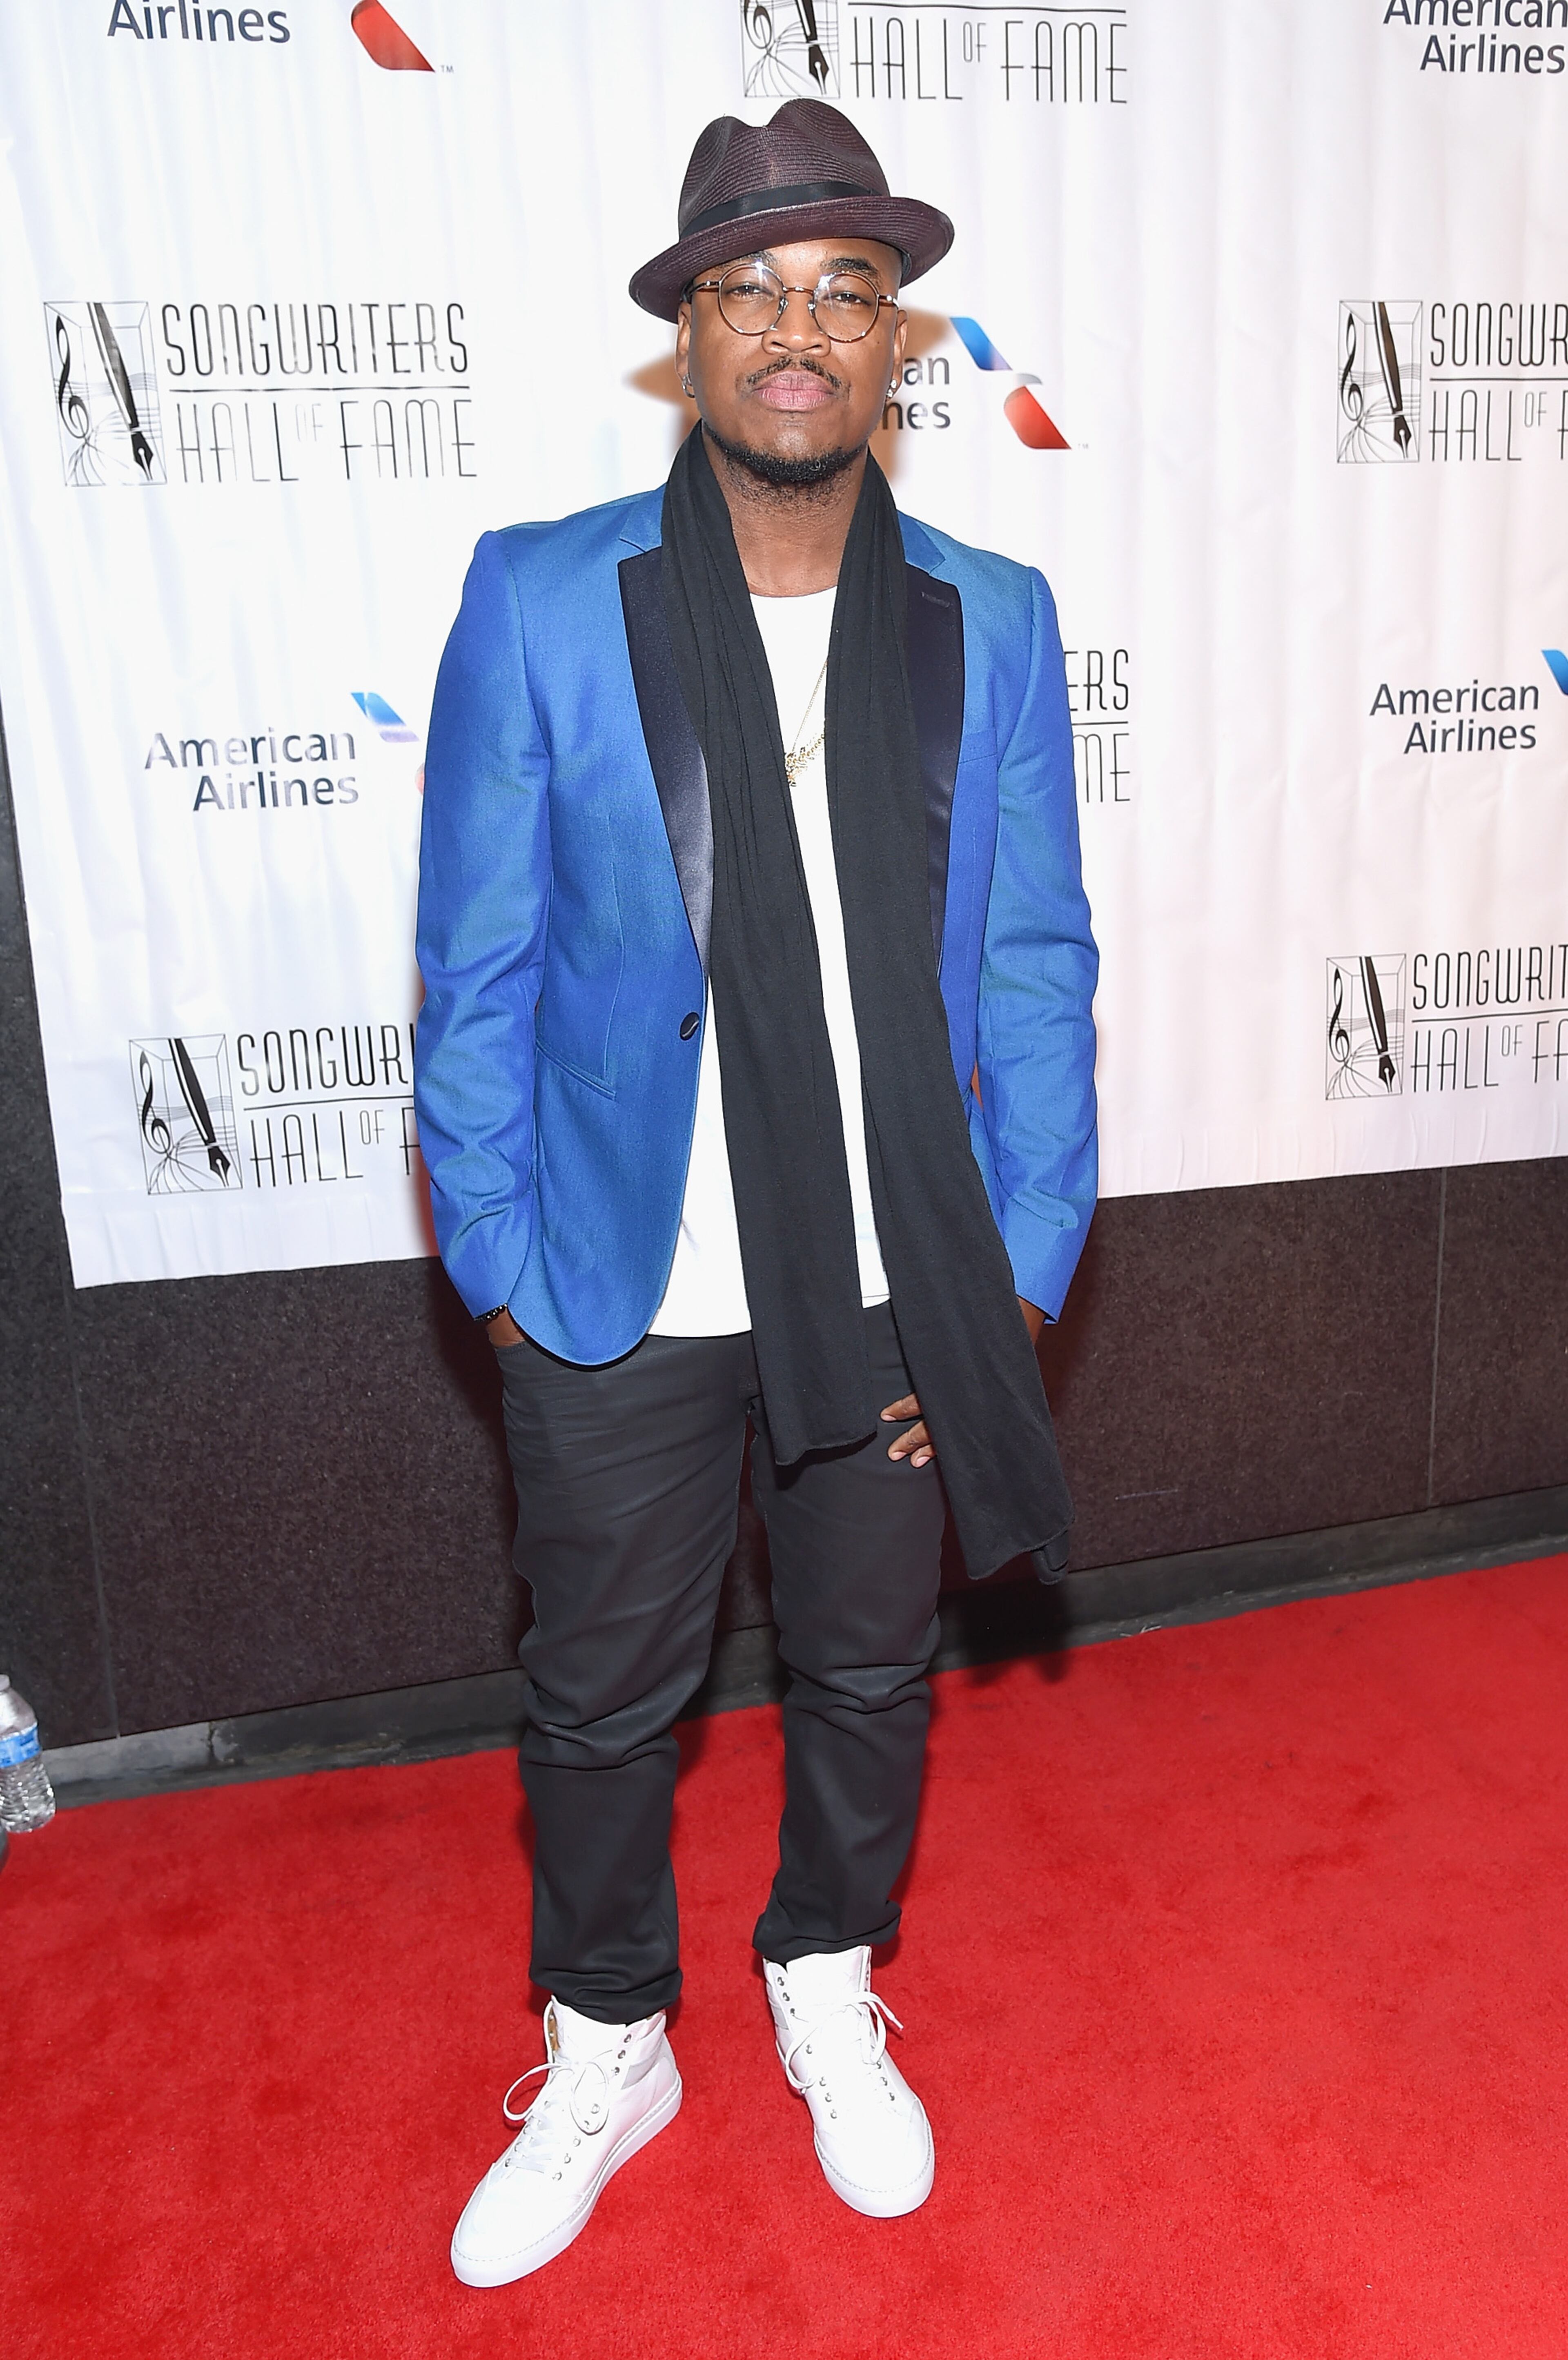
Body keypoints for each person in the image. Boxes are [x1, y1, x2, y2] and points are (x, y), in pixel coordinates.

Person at [414, 98, 1098, 2287]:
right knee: (602, 1699)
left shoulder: (995, 614)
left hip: (902, 1272)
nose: (799, 331)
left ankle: (825, 1967)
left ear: (897, 340)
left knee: (868, 1670)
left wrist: (1018, 1280)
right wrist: (502, 1265)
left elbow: (1038, 967)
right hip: (618, 1270)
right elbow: (476, 959)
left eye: (844, 291)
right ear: (688, 335)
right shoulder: (540, 600)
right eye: (752, 291)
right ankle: (610, 2031)